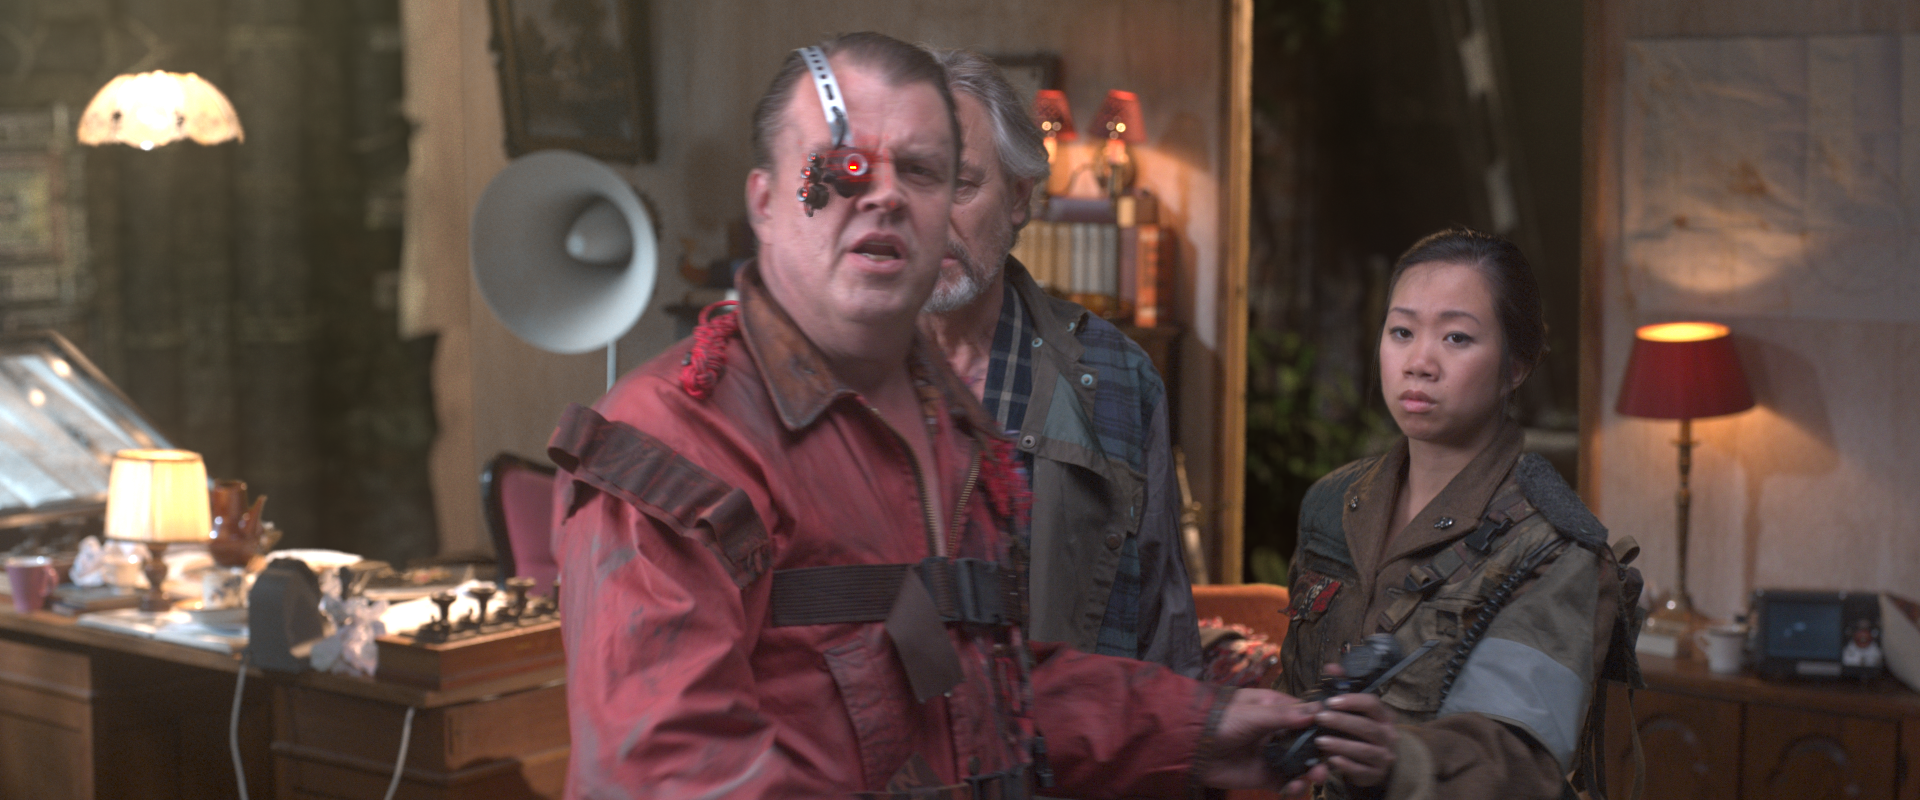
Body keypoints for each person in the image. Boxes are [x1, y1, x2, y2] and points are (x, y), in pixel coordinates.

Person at [547, 32, 1322, 798]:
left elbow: (975, 699)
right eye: (842, 170)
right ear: (765, 203)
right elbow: (667, 770)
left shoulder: (935, 428)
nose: (889, 199)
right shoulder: (675, 433)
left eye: (926, 174)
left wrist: (1199, 730)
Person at [1277, 227, 1641, 799]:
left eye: (1456, 338)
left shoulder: (1551, 546)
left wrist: (1400, 763)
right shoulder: (1332, 502)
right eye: (1401, 332)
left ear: (1517, 366)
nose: (1419, 363)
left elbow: (1519, 759)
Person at [917, 46, 1201, 676]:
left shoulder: (1118, 376)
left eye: (961, 184)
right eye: (913, 181)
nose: (931, 216)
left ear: (1019, 197)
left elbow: (1165, 639)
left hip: (1064, 733)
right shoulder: (829, 369)